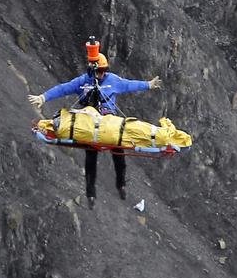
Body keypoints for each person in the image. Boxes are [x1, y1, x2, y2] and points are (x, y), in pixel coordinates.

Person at [28, 52, 162, 209]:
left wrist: (148, 85)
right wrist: (43, 97)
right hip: (89, 125)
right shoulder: (83, 81)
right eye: (99, 71)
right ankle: (90, 194)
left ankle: (121, 184)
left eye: (103, 70)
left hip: (108, 123)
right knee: (90, 158)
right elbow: (63, 88)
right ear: (92, 70)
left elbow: (128, 85)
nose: (101, 74)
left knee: (119, 152)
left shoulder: (112, 80)